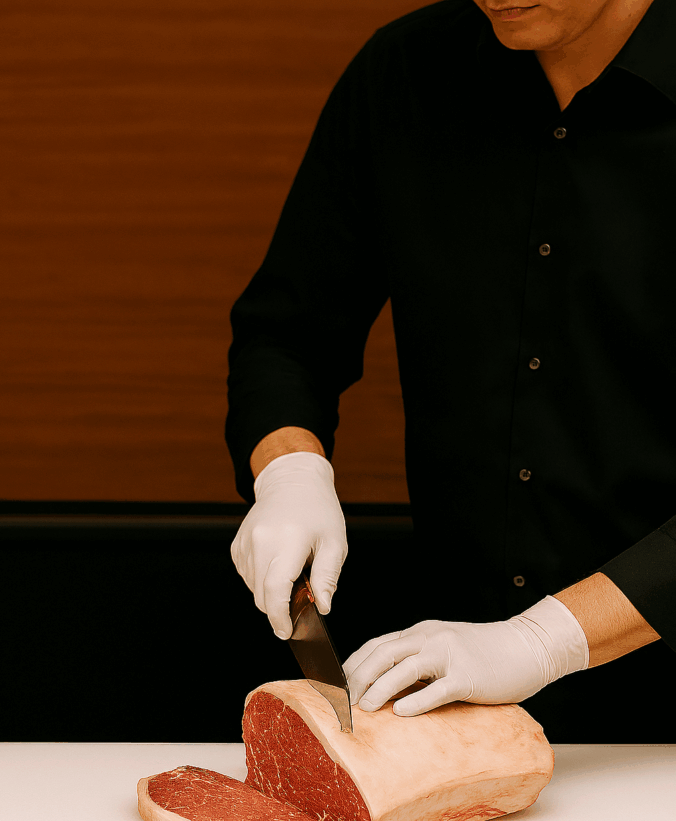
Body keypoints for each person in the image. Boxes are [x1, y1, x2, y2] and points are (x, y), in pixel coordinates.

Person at [226, 0, 676, 731]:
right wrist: (288, 470)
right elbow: (287, 332)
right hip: (448, 693)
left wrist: (544, 638)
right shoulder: (404, 73)